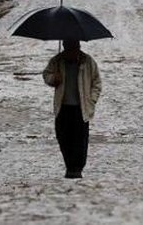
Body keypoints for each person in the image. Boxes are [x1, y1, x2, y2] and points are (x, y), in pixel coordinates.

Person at [42, 39, 102, 179]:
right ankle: (69, 165)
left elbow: (97, 82)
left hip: (81, 108)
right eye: (68, 49)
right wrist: (53, 79)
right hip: (63, 108)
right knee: (63, 137)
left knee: (80, 140)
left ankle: (77, 168)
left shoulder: (88, 62)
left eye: (74, 49)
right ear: (64, 47)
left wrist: (91, 100)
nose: (71, 53)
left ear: (78, 47)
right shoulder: (57, 61)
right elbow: (46, 74)